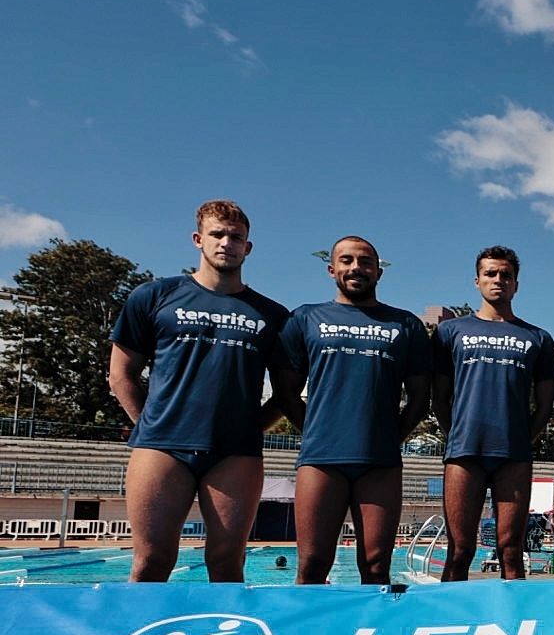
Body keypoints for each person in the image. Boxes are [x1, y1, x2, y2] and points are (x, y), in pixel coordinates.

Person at [108, 200, 289, 582]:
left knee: (227, 563)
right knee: (150, 562)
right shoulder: (155, 296)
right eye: (217, 234)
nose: (227, 243)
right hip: (162, 446)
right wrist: (149, 427)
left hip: (234, 452)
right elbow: (121, 374)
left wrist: (253, 427)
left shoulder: (271, 314)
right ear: (198, 239)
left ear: (248, 247)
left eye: (236, 237)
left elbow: (289, 389)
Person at [272, 235, 431, 584]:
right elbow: (286, 391)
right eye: (346, 261)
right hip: (321, 460)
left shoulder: (405, 325)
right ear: (332, 270)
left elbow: (420, 397)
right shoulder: (306, 318)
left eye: (365, 262)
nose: (356, 267)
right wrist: (314, 430)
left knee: (376, 566)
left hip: (380, 463)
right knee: (312, 563)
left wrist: (389, 437)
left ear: (378, 272)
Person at [430, 246, 554, 581]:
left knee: (512, 550)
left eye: (505, 275)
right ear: (477, 281)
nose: (498, 280)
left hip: (513, 456)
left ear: (516, 284)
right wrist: (456, 432)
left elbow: (545, 405)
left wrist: (522, 437)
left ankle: (514, 626)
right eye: (490, 273)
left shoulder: (537, 338)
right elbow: (438, 396)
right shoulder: (450, 332)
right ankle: (449, 624)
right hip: (464, 453)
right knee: (459, 551)